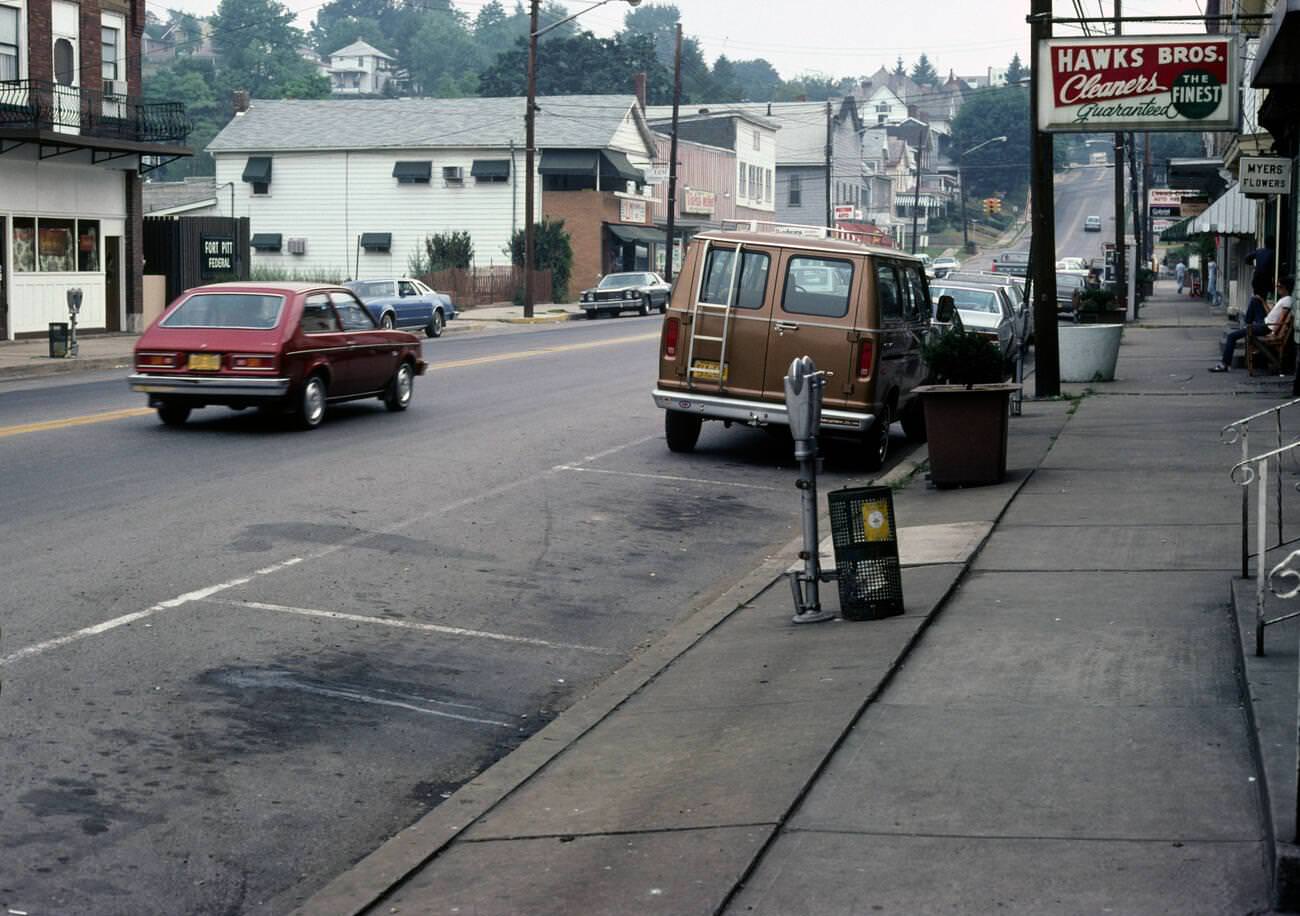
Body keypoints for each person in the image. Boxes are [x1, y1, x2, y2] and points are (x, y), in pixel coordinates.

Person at [1212, 281, 1291, 372]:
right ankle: (1246, 325)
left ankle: (1224, 364)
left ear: (1285, 288)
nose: (1277, 288)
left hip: (1265, 328)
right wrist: (1262, 301)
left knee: (1231, 336)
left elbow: (1281, 320)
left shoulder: (1288, 300)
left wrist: (1273, 333)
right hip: (1265, 322)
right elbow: (1271, 314)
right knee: (1255, 300)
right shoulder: (1283, 299)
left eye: (1279, 286)